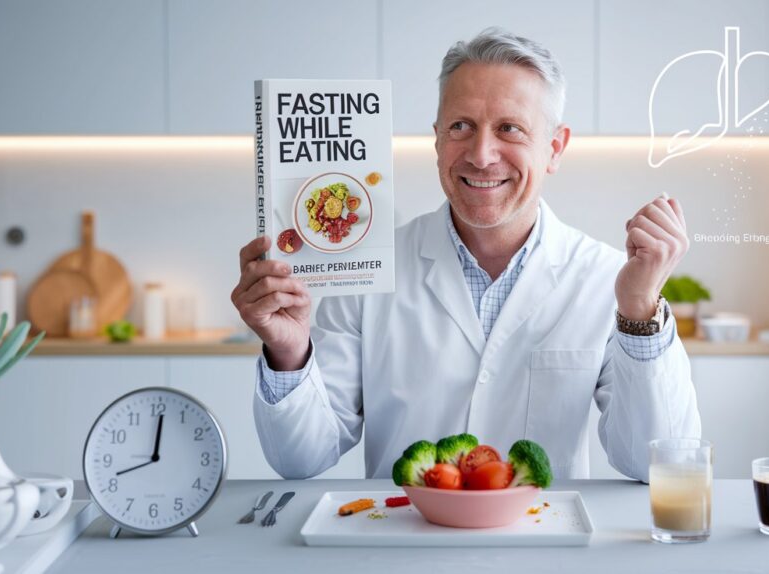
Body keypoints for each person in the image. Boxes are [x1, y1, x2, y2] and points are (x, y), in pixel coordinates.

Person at [231, 27, 700, 482]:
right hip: (402, 548)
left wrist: (640, 312)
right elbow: (301, 458)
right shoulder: (369, 267)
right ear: (437, 140)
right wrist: (289, 353)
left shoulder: (602, 278)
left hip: (541, 551)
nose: (480, 153)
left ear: (554, 148)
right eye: (461, 126)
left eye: (510, 129)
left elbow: (656, 463)